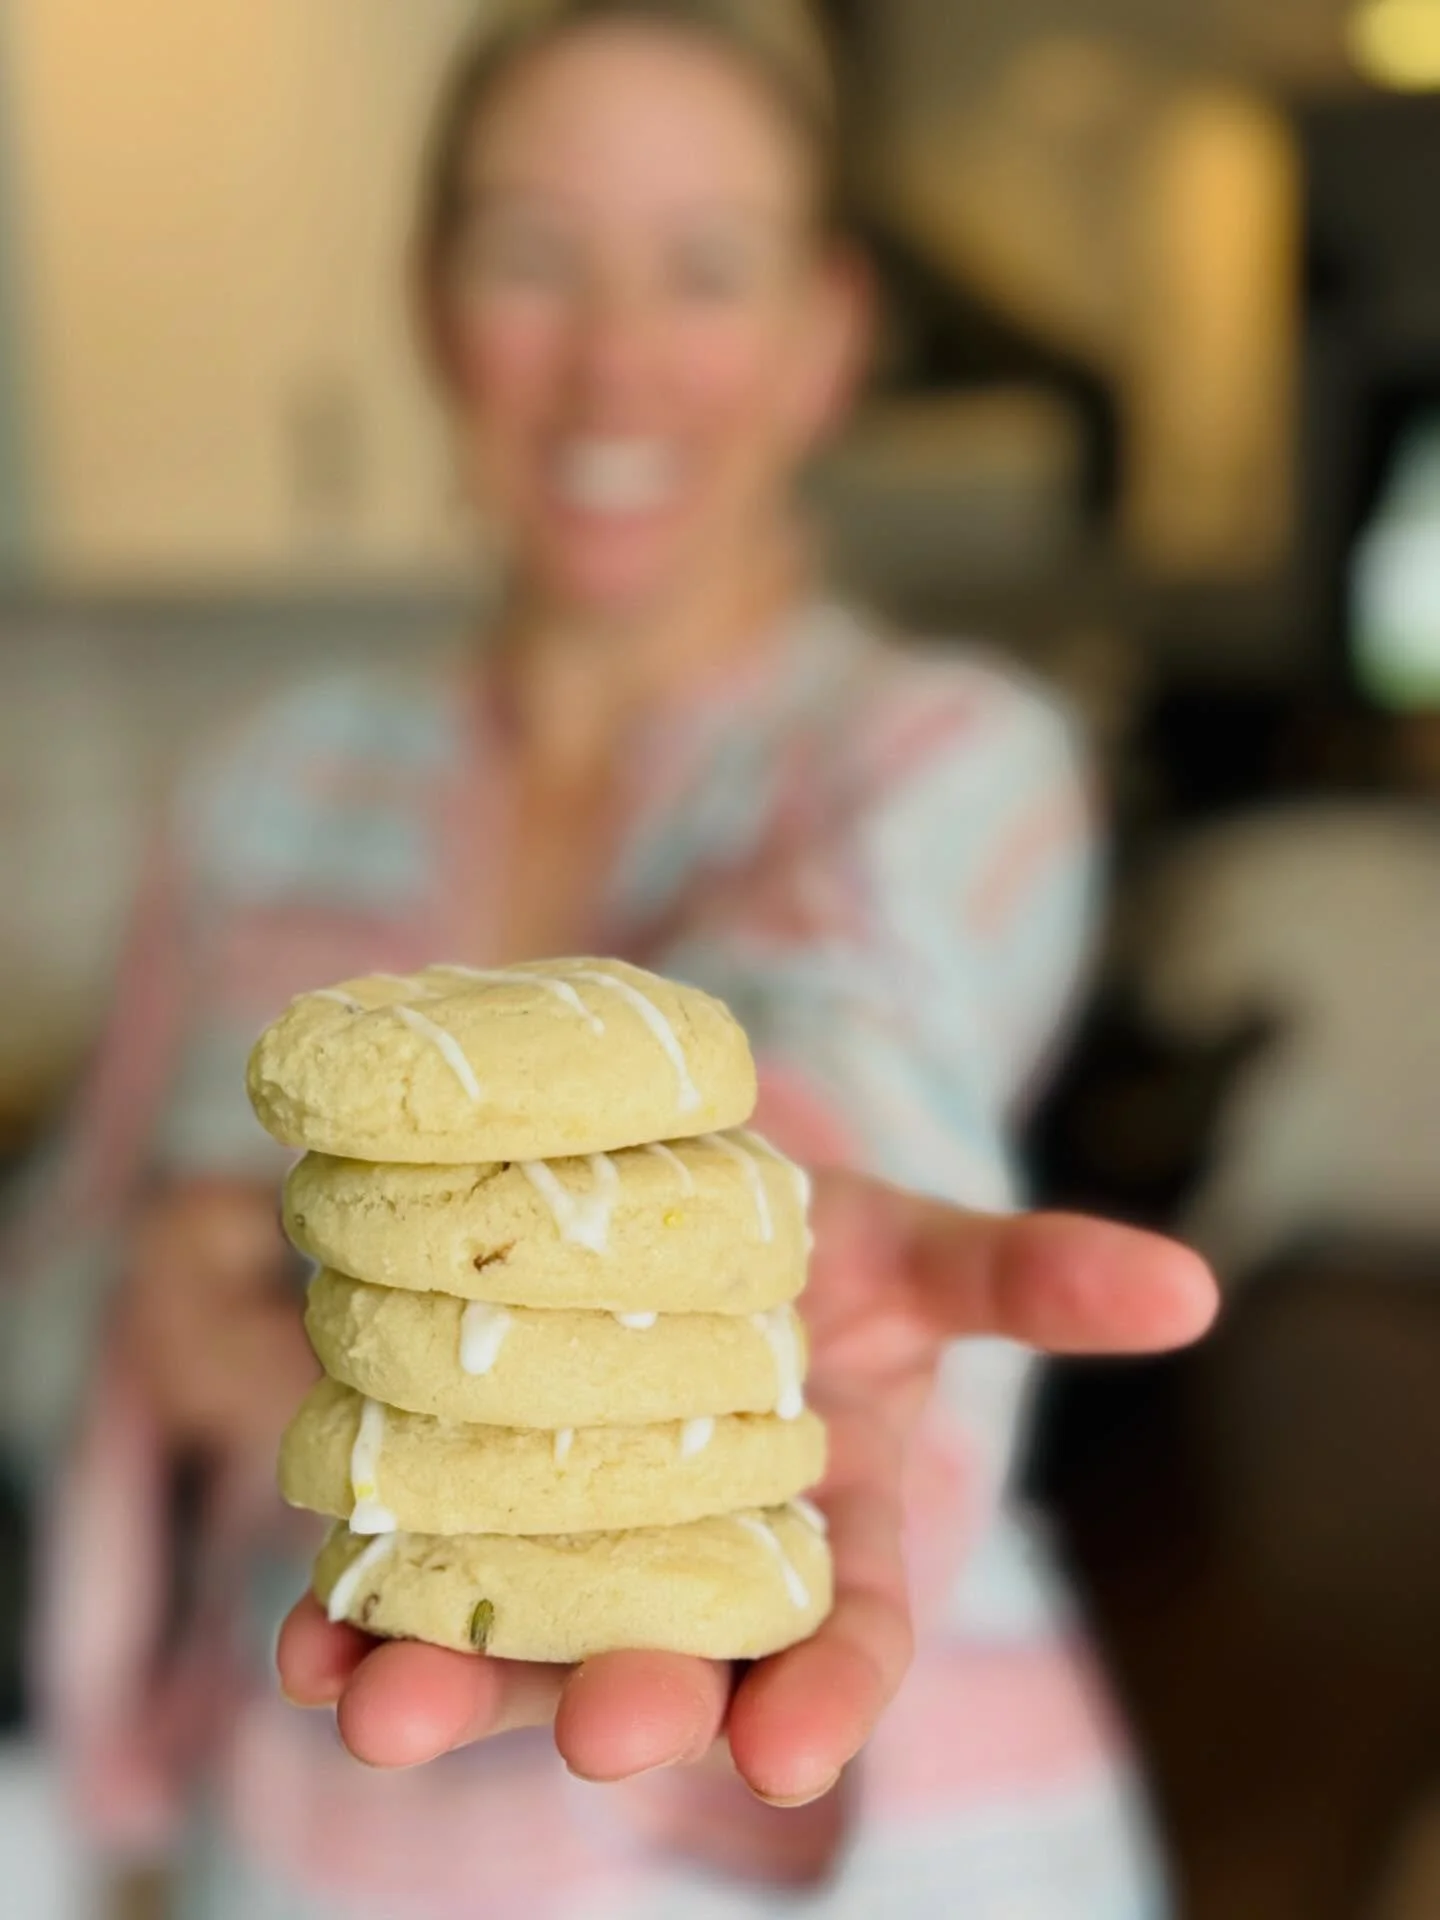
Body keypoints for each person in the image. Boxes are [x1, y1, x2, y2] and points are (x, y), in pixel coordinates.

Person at [8, 3, 1217, 1914]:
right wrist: (148, 1331)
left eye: (704, 269)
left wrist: (780, 1206)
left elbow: (858, 1003)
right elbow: (45, 1281)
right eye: (533, 256)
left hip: (885, 1842)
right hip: (314, 1841)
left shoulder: (947, 757)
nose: (615, 360)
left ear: (824, 337)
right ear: (432, 304)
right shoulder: (260, 791)